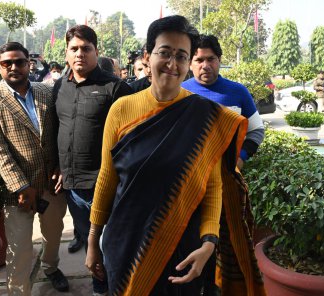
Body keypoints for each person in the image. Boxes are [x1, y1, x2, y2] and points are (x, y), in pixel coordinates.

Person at [86, 15, 265, 295]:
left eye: (181, 56)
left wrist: (209, 243)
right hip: (124, 245)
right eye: (165, 53)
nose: (172, 63)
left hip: (183, 249)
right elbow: (107, 178)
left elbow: (214, 185)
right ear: (147, 56)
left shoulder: (205, 116)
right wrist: (93, 240)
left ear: (188, 63)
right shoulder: (121, 109)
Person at [53, 25, 132, 295]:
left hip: (105, 186)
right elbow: (57, 130)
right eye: (74, 48)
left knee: (109, 244)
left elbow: (128, 141)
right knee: (90, 243)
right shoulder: (59, 86)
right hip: (72, 186)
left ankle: (113, 287)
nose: (79, 54)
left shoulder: (115, 88)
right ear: (66, 53)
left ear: (96, 52)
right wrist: (59, 167)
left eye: (86, 48)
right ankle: (101, 288)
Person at [0, 42, 68, 295]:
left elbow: (63, 133)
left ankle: (51, 267)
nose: (13, 67)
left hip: (52, 182)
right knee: (19, 250)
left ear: (28, 63)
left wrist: (62, 166)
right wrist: (20, 186)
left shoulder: (46, 91)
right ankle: (19, 291)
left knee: (53, 234)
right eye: (6, 63)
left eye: (19, 62)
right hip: (17, 191)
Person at [182, 34, 264, 170]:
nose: (205, 65)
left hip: (227, 176)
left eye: (210, 59)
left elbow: (257, 131)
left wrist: (240, 157)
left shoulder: (239, 92)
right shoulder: (179, 93)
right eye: (199, 60)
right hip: (188, 176)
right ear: (190, 63)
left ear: (219, 59)